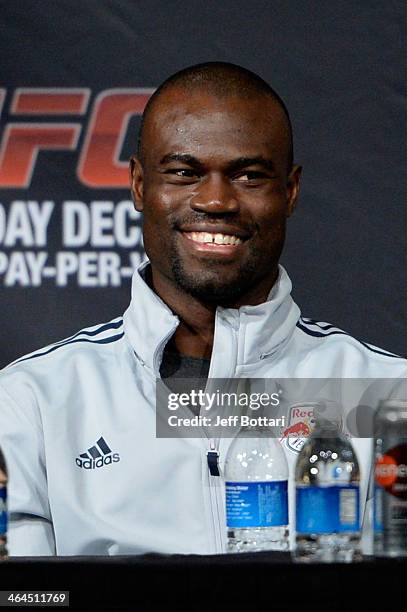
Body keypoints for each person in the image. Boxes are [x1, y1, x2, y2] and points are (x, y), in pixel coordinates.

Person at [0, 62, 405, 556]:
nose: (215, 200)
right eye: (184, 173)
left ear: (291, 191)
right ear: (138, 184)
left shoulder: (390, 396)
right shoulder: (31, 403)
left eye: (250, 175)